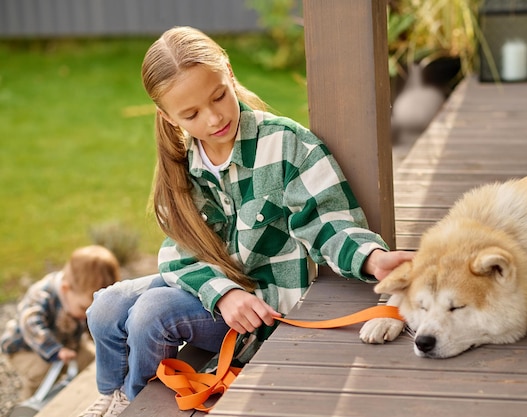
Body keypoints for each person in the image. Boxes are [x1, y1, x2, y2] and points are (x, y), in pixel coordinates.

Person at [78, 26, 414, 417]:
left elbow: (328, 222)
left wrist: (371, 258)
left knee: (151, 314)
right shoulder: (181, 164)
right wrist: (221, 292)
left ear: (229, 72)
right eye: (191, 114)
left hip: (262, 305)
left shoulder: (287, 145)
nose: (215, 116)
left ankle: (136, 404)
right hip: (218, 286)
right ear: (168, 117)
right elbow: (178, 253)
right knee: (105, 305)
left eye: (219, 95)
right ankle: (112, 394)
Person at [1, 245, 120, 401]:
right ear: (65, 288)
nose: (86, 314)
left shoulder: (78, 298)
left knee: (92, 360)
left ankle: (80, 397)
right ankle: (33, 405)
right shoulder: (42, 294)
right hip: (26, 348)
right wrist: (55, 350)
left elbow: (93, 327)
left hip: (66, 344)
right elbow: (30, 324)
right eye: (83, 308)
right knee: (43, 372)